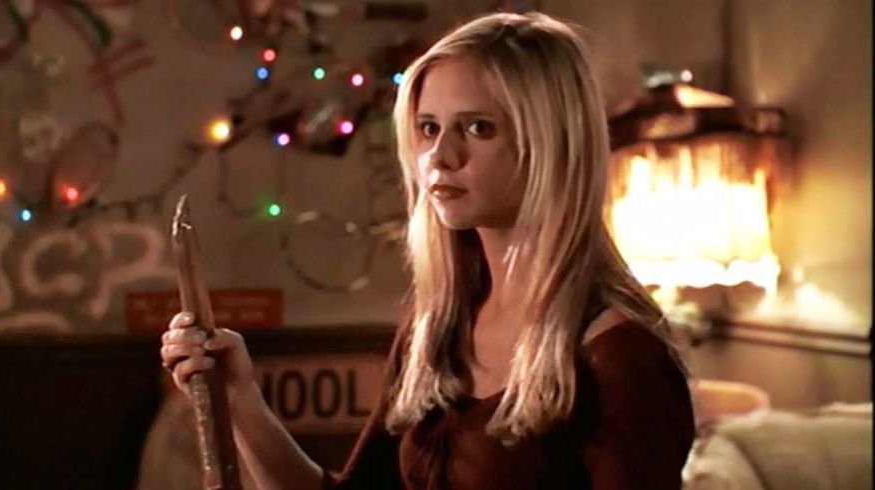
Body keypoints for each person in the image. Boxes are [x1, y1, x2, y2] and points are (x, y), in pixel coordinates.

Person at [160, 11, 695, 490]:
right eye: (428, 128)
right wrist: (239, 398)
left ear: (550, 143)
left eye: (478, 128)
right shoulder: (436, 326)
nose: (440, 155)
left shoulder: (619, 357)